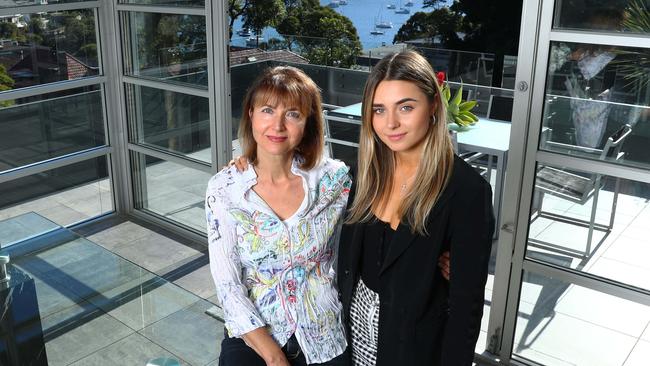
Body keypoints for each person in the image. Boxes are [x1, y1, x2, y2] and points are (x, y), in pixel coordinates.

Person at [337, 50, 495, 366]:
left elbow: (466, 308)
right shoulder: (366, 174)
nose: (391, 123)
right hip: (352, 339)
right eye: (379, 110)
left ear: (433, 106)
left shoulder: (467, 191)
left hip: (412, 349)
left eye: (406, 107)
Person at [205, 66, 352, 366]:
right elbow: (228, 286)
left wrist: (442, 258)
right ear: (250, 114)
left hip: (324, 336)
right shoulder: (225, 189)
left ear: (308, 122)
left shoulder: (335, 182)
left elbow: (385, 219)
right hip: (253, 337)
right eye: (268, 110)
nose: (278, 125)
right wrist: (274, 358)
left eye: (293, 114)